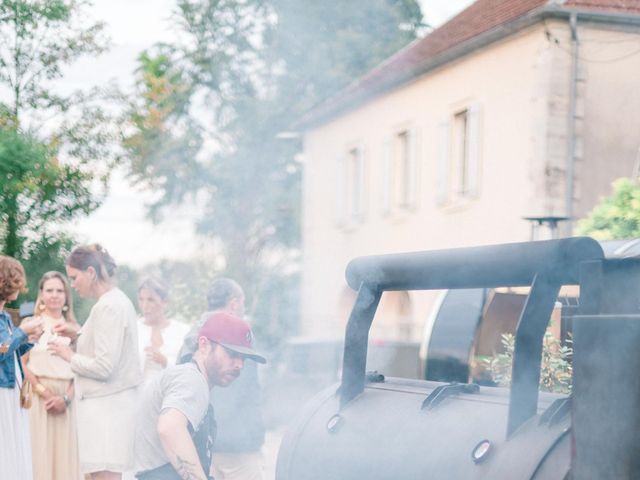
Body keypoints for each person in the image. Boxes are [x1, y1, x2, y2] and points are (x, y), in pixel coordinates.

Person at [134, 311, 266, 480]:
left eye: (244, 358)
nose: (239, 364)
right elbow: (169, 428)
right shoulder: (191, 379)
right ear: (204, 345)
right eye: (232, 354)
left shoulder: (189, 378)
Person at [48, 244, 142, 480]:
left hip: (107, 414)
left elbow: (104, 367)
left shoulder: (109, 306)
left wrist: (68, 355)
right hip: (106, 412)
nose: (72, 285)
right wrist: (76, 336)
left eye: (74, 277)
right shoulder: (113, 302)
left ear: (91, 272)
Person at [178, 278, 266, 480]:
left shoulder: (191, 337)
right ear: (234, 303)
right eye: (243, 302)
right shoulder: (239, 334)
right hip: (240, 444)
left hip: (202, 442)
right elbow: (248, 388)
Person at [23, 271, 82, 480]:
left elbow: (82, 369)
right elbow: (22, 364)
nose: (55, 295)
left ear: (66, 295)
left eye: (59, 290)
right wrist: (44, 392)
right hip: (39, 398)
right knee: (39, 456)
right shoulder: (32, 324)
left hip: (67, 400)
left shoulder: (76, 329)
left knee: (65, 459)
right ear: (42, 294)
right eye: (50, 290)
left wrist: (65, 398)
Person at [0, 255, 44, 479]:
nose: (21, 286)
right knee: (5, 445)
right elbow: (1, 349)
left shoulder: (5, 317)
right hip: (1, 391)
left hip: (11, 387)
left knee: (13, 443)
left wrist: (30, 340)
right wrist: (22, 332)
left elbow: (10, 352)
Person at [138, 278, 190, 384]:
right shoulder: (133, 329)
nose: (144, 306)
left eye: (150, 300)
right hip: (137, 395)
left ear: (165, 302)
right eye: (141, 299)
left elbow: (188, 370)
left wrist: (165, 362)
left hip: (171, 393)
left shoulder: (182, 331)